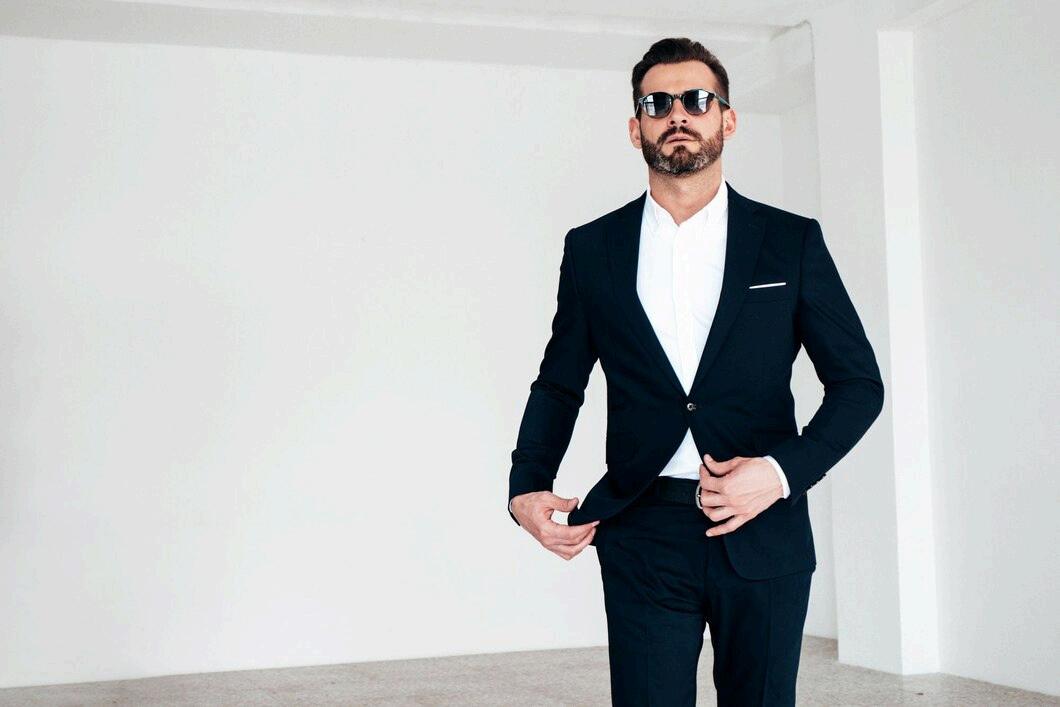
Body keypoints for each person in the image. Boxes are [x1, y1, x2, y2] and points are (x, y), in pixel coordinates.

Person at [506, 37, 884, 706]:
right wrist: (526, 485)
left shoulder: (790, 241)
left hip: (762, 525)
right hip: (642, 530)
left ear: (727, 120)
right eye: (657, 103)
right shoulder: (593, 249)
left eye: (697, 99)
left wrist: (780, 473)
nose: (677, 113)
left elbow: (858, 385)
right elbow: (560, 383)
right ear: (636, 128)